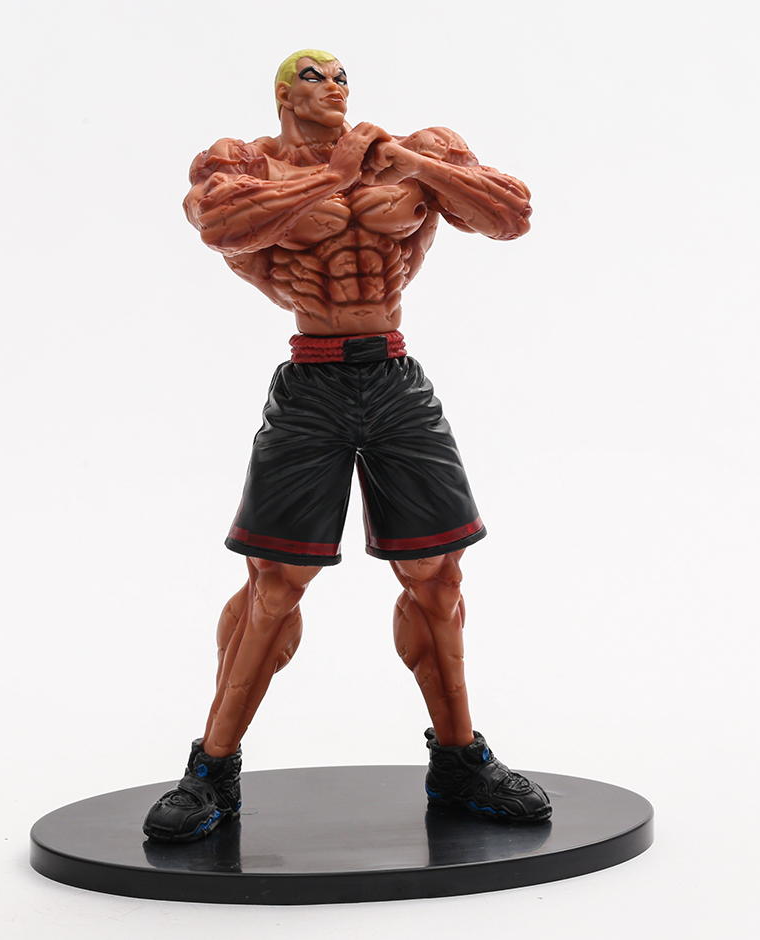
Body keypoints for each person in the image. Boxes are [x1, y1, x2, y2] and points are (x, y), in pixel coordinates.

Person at [143, 50, 551, 842]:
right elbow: (219, 225)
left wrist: (408, 165)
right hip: (312, 382)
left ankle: (459, 759)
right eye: (314, 76)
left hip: (393, 377)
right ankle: (211, 769)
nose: (334, 87)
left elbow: (512, 215)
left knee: (436, 576)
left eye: (341, 77)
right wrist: (332, 176)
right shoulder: (243, 161)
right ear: (282, 92)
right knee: (276, 582)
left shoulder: (414, 150)